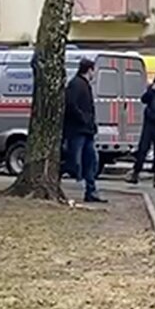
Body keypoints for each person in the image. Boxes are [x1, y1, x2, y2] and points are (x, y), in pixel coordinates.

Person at [63, 58, 105, 203]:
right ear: (89, 70)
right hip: (77, 130)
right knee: (74, 161)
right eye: (94, 70)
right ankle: (57, 176)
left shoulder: (84, 85)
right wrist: (83, 119)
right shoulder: (76, 84)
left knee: (91, 161)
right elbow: (71, 104)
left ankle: (91, 191)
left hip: (86, 130)